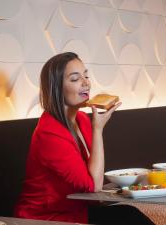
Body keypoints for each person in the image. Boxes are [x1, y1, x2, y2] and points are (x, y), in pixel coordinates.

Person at [14, 52, 154, 225]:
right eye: (75, 79)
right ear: (56, 88)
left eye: (86, 76)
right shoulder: (49, 133)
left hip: (77, 210)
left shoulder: (81, 119)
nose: (86, 82)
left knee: (130, 214)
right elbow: (94, 185)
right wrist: (98, 129)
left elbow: (93, 180)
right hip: (46, 218)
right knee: (129, 218)